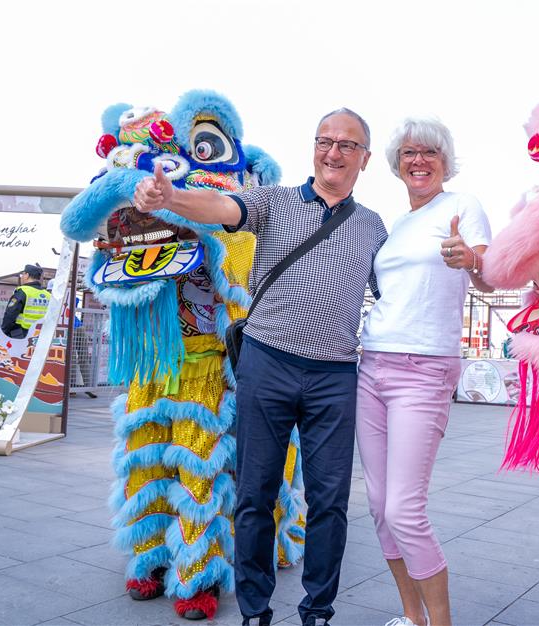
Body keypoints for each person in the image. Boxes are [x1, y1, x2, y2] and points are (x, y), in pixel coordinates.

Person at [134, 108, 387, 626]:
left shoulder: (373, 227)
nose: (333, 152)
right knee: (254, 496)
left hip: (334, 377)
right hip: (267, 365)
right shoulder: (273, 201)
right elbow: (221, 205)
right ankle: (255, 611)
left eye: (347, 145)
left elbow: (399, 291)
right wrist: (173, 199)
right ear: (314, 147)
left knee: (330, 503)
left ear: (364, 159)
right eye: (325, 140)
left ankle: (317, 611)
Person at [355, 118, 492, 626]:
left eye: (430, 152)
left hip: (425, 368)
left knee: (404, 511)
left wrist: (471, 258)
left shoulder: (461, 206)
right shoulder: (396, 227)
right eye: (409, 152)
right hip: (372, 367)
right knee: (377, 505)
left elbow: (491, 273)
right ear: (396, 164)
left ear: (445, 161)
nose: (419, 160)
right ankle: (412, 618)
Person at [1, 263, 50, 338]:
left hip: (21, 335)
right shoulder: (48, 295)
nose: (22, 277)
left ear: (26, 275)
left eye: (22, 274)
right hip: (40, 335)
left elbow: (10, 314)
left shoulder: (23, 292)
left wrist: (3, 332)